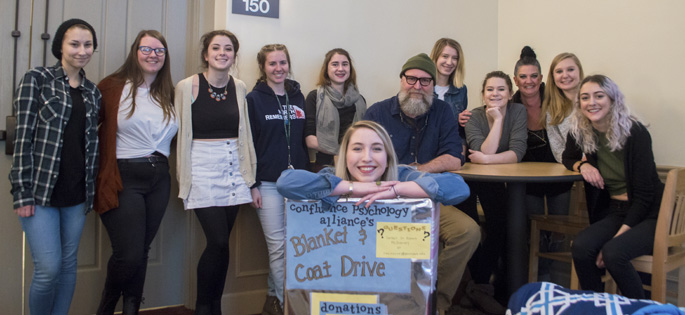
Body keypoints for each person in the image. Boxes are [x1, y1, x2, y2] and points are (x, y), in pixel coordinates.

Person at [363, 53, 480, 315]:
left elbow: (454, 159)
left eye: (425, 81)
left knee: (468, 231)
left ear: (433, 84)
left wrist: (417, 172)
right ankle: (396, 304)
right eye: (412, 79)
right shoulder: (377, 112)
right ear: (402, 79)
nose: (417, 86)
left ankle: (435, 304)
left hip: (430, 198)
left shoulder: (443, 111)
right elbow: (361, 160)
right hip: (387, 201)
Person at [9, 18, 100, 315]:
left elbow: (90, 145)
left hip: (76, 193)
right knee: (48, 269)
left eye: (87, 44)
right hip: (40, 192)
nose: (81, 50)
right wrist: (21, 191)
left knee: (68, 266)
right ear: (60, 45)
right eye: (74, 44)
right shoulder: (37, 79)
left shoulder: (92, 92)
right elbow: (23, 137)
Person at [94, 30, 177, 314]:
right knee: (128, 255)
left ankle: (131, 309)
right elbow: (89, 131)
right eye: (147, 49)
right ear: (134, 51)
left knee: (141, 251)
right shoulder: (112, 87)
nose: (153, 55)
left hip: (159, 178)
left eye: (159, 50)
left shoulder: (169, 93)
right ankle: (105, 309)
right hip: (123, 176)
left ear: (165, 57)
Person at [175, 30, 257, 315]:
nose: (222, 53)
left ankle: (215, 306)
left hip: (234, 168)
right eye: (216, 48)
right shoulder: (187, 86)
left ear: (234, 55)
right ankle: (202, 306)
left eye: (228, 48)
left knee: (222, 246)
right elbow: (181, 133)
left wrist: (251, 179)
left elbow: (245, 134)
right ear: (206, 54)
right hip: (202, 169)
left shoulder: (240, 86)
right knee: (217, 240)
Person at [564, 75, 663, 299]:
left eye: (599, 96)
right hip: (616, 211)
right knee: (581, 247)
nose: (592, 103)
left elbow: (645, 196)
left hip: (650, 213)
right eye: (585, 97)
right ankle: (599, 306)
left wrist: (618, 236)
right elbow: (567, 157)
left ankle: (641, 310)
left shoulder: (635, 132)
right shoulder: (581, 129)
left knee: (613, 252)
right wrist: (583, 165)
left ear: (613, 100)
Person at [247, 43, 308, 315]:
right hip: (268, 185)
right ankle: (289, 306)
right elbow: (246, 144)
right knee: (279, 248)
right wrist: (253, 184)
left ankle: (272, 299)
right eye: (272, 63)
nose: (278, 68)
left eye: (282, 63)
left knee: (295, 245)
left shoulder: (298, 97)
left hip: (298, 184)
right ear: (263, 67)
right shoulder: (254, 99)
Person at [462, 70, 527, 314]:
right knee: (469, 226)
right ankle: (479, 284)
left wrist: (487, 160)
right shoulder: (474, 116)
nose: (495, 94)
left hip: (495, 178)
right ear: (483, 94)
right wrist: (496, 121)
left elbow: (517, 152)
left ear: (510, 94)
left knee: (500, 223)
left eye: (501, 89)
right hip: (468, 180)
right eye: (490, 89)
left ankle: (480, 286)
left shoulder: (518, 111)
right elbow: (480, 149)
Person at [305, 48, 366, 171]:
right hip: (325, 167)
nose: (340, 69)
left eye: (345, 64)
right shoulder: (315, 97)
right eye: (334, 64)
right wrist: (342, 153)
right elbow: (310, 140)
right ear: (326, 69)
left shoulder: (360, 100)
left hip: (356, 167)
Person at [541, 52, 584, 164]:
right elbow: (558, 150)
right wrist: (578, 165)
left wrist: (590, 162)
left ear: (579, 71)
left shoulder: (594, 102)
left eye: (570, 69)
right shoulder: (552, 110)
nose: (565, 75)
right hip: (575, 170)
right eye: (559, 71)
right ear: (553, 76)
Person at [429, 38, 469, 147]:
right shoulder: (423, 87)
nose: (449, 62)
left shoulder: (461, 90)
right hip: (427, 147)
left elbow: (460, 132)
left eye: (455, 58)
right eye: (445, 56)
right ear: (435, 57)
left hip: (452, 147)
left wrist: (461, 121)